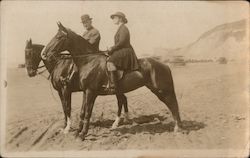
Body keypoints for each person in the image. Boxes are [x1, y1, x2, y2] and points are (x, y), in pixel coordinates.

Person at [107, 12, 139, 92]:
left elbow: (122, 42)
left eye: (115, 17)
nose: (113, 19)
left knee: (110, 61)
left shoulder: (124, 28)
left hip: (126, 51)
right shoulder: (120, 28)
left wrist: (112, 48)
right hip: (122, 50)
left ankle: (113, 84)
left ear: (120, 19)